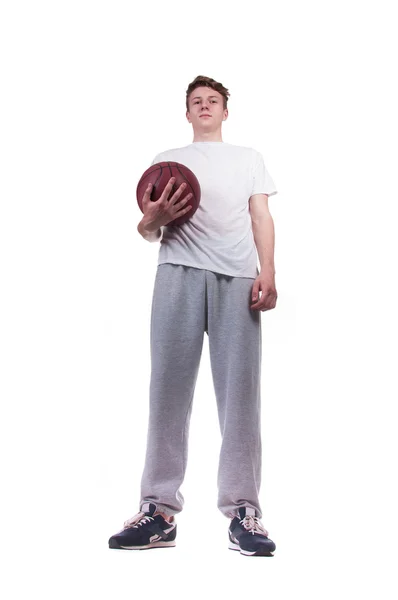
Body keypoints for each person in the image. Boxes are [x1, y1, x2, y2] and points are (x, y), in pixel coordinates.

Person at [108, 75, 278, 557]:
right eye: (196, 102)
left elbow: (261, 216)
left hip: (238, 281)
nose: (205, 106)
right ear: (187, 114)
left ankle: (244, 510)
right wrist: (150, 222)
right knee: (167, 392)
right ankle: (158, 510)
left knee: (240, 398)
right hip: (177, 274)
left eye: (213, 101)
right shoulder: (167, 161)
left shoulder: (249, 159)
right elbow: (146, 227)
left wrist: (268, 271)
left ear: (226, 112)